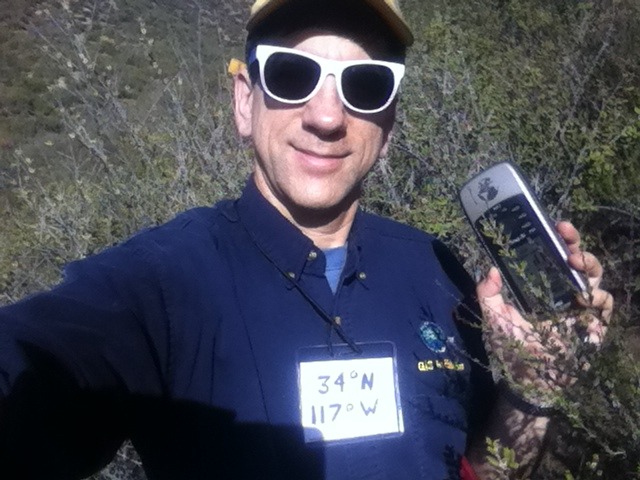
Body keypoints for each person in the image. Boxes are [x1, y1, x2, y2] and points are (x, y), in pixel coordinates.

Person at [0, 0, 613, 479]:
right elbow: (32, 366)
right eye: (293, 75)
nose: (327, 117)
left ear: (390, 125)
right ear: (245, 103)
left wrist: (533, 391)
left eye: (365, 85)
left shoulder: (434, 269)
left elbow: (480, 471)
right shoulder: (160, 282)